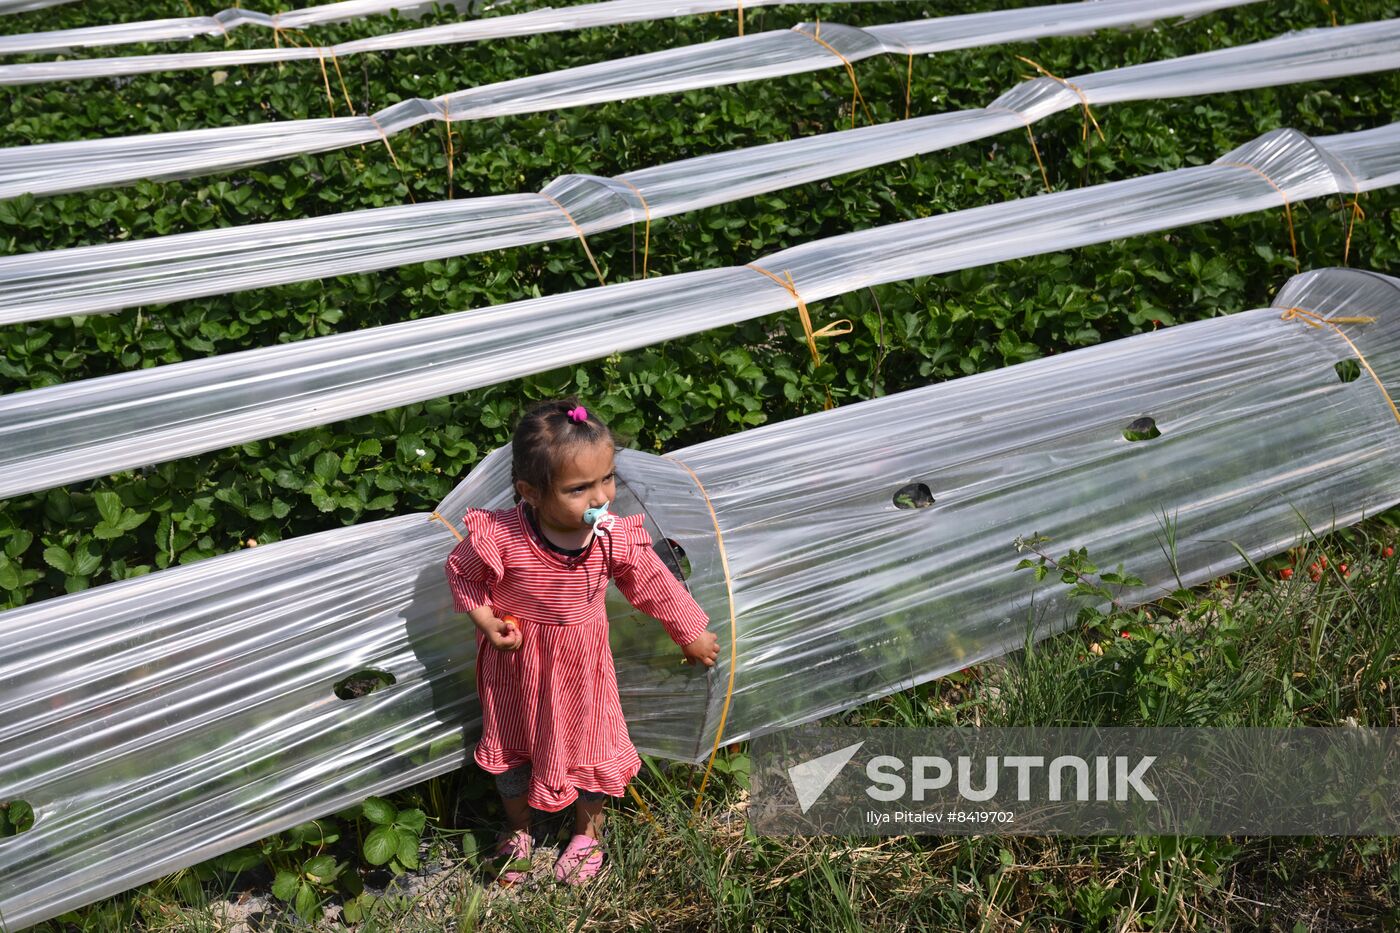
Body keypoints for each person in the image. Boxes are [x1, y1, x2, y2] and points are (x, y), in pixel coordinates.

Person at [444, 399, 720, 886]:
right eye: (579, 488)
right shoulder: (503, 536)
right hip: (517, 672)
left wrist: (690, 631)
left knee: (591, 745)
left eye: (607, 479)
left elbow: (651, 580)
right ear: (530, 492)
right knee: (513, 747)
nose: (601, 498)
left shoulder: (609, 536)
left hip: (582, 671)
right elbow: (462, 572)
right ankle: (518, 829)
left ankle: (587, 831)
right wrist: (486, 621)